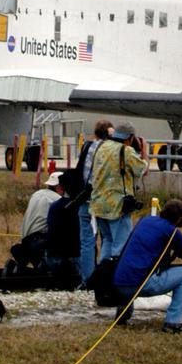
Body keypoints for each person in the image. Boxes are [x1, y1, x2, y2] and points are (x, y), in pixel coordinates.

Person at [113, 198, 182, 334]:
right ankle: (173, 322)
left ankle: (122, 316)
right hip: (141, 285)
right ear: (180, 219)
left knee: (134, 269)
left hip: (119, 283)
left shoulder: (145, 220)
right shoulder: (171, 231)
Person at [90, 121, 148, 260]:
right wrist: (144, 150)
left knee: (108, 241)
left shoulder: (101, 147)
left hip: (98, 204)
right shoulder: (126, 150)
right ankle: (117, 276)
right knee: (121, 246)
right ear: (130, 137)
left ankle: (104, 274)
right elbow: (142, 170)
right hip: (117, 206)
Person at [75, 120, 114, 285]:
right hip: (102, 200)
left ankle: (87, 280)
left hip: (85, 198)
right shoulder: (109, 149)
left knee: (87, 241)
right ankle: (103, 278)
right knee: (107, 238)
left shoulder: (87, 146)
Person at [12, 171, 65, 270]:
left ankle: (21, 265)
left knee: (38, 269)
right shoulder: (57, 199)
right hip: (40, 240)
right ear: (59, 187)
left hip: (25, 238)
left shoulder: (37, 194)